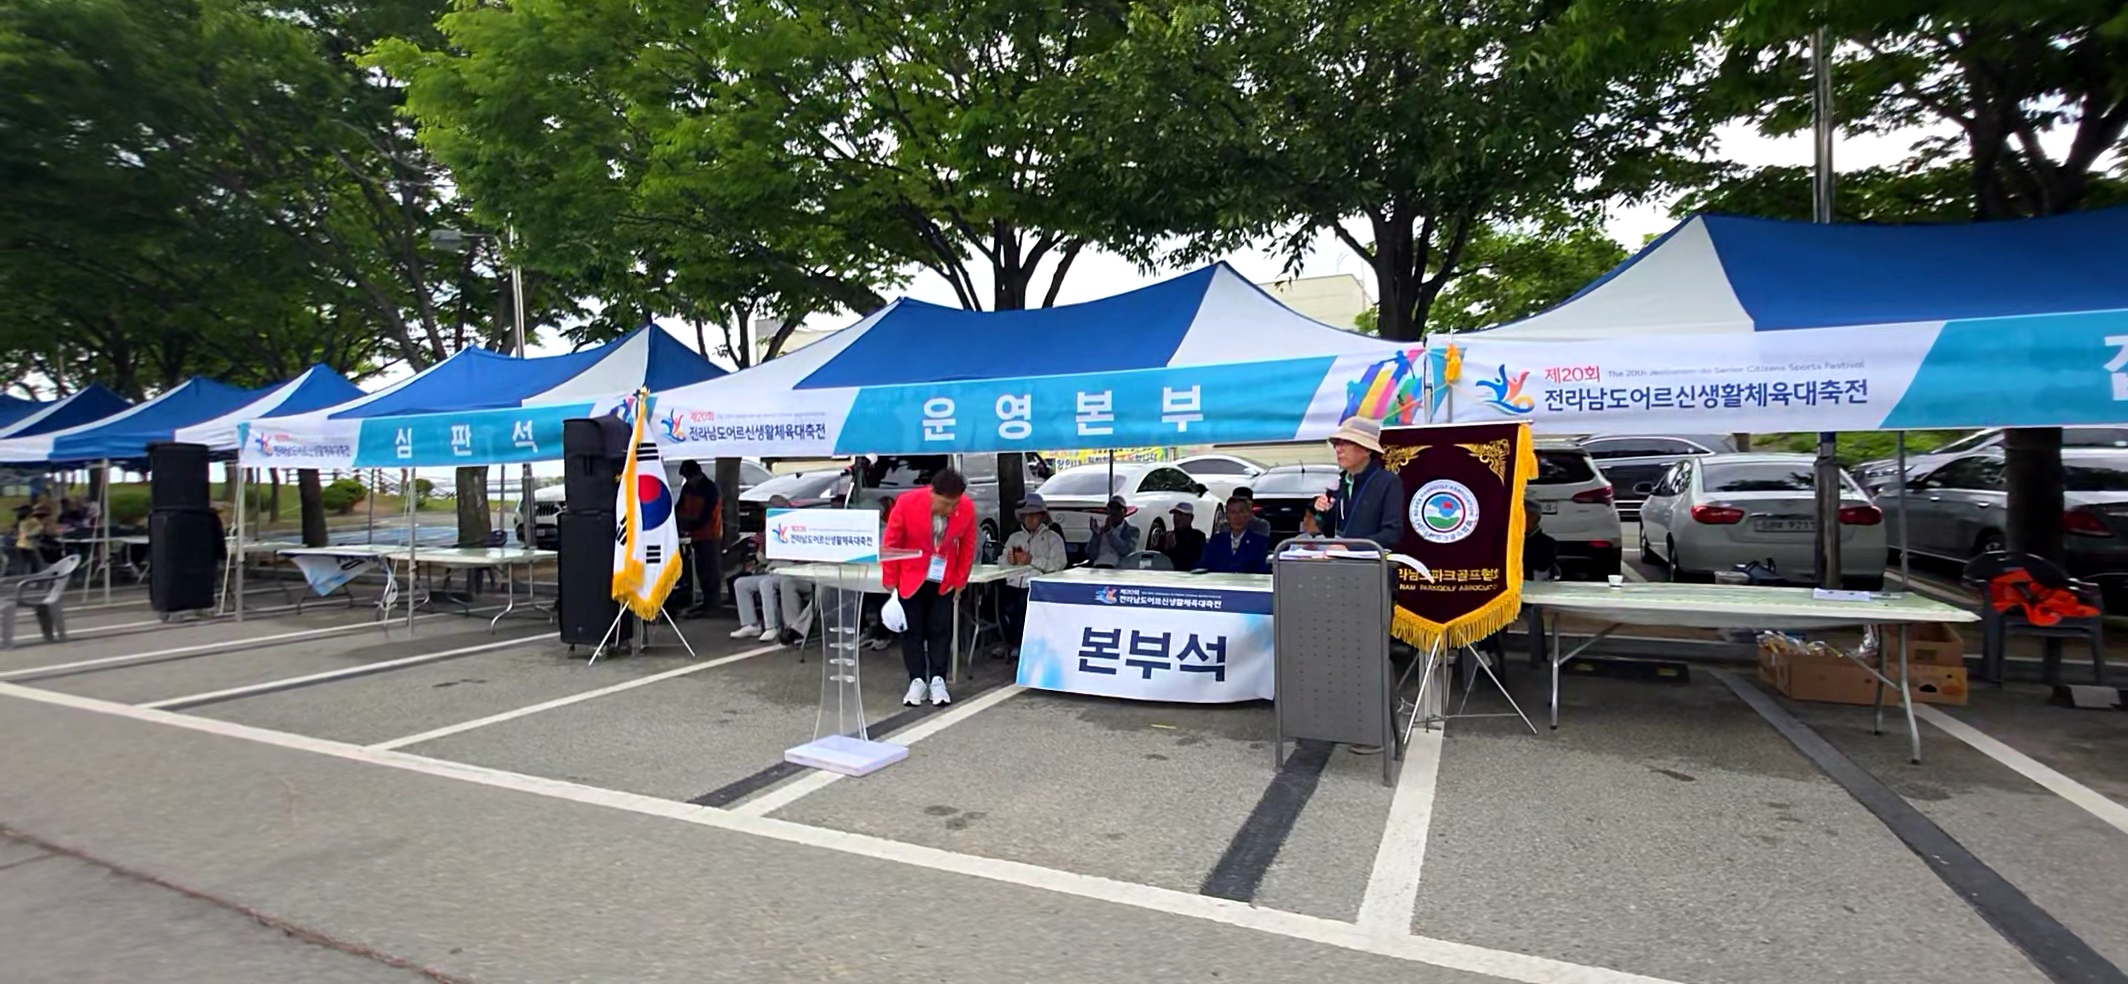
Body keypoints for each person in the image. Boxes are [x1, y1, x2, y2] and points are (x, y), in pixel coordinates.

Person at [882, 468, 977, 706]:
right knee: (911, 630)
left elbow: (968, 546)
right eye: (945, 504)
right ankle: (916, 680)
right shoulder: (907, 503)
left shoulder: (966, 508)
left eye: (954, 504)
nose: (950, 510)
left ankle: (938, 679)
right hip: (910, 576)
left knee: (940, 629)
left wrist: (961, 580)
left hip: (944, 578)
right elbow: (891, 542)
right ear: (932, 493)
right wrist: (890, 578)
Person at [729, 495, 815, 644]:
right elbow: (762, 560)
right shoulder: (770, 530)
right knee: (741, 583)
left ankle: (772, 627)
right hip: (772, 571)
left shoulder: (797, 529)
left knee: (766, 584)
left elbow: (802, 558)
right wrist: (763, 545)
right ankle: (751, 624)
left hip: (790, 572)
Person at [1309, 416, 1405, 550]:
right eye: (1337, 443)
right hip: (1338, 559)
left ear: (1367, 450)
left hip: (1370, 561)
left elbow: (1391, 534)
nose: (1338, 449)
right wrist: (1324, 512)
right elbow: (1331, 532)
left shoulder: (1388, 482)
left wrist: (1351, 548)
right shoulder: (1342, 483)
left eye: (1346, 443)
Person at [998, 494, 1068, 658]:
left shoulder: (1053, 538)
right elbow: (1000, 561)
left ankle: (1020, 644)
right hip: (1013, 582)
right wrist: (1008, 560)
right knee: (997, 602)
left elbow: (1059, 564)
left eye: (1033, 515)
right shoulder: (1015, 537)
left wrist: (1032, 560)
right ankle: (1009, 642)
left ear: (1042, 516)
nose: (1029, 519)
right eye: (1026, 515)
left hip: (1038, 585)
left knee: (1024, 603)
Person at [674, 461, 722, 615]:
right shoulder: (687, 488)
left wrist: (688, 526)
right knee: (701, 569)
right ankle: (706, 600)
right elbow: (679, 507)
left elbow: (705, 515)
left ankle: (713, 602)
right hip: (695, 535)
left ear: (697, 474)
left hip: (710, 534)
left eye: (689, 477)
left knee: (710, 569)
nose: (688, 480)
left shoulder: (710, 489)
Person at [1200, 497, 1272, 573]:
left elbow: (1262, 569)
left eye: (1241, 512)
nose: (1237, 517)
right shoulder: (1216, 541)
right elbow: (1203, 566)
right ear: (1227, 516)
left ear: (1249, 515)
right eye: (1232, 512)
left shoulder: (1259, 542)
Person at [1086, 495, 1140, 568]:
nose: (1114, 512)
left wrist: (1110, 534)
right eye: (1111, 508)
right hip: (1098, 568)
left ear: (1125, 512)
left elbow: (1126, 551)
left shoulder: (1132, 531)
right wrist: (1096, 536)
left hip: (1118, 569)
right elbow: (1090, 555)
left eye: (1118, 509)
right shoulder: (1100, 531)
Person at [1155, 502, 1206, 571]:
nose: (1177, 518)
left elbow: (1195, 558)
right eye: (1175, 514)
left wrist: (1176, 546)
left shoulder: (1197, 536)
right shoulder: (1165, 537)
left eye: (1181, 515)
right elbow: (1157, 559)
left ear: (1191, 518)